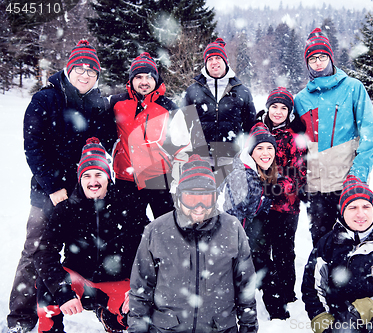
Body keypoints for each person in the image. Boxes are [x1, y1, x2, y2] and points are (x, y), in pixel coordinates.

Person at [8, 40, 114, 333]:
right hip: (48, 191)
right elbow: (34, 147)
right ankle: (22, 317)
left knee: (95, 245)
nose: (85, 74)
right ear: (69, 69)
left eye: (91, 70)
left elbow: (103, 143)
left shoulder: (97, 103)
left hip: (85, 188)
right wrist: (54, 187)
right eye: (79, 68)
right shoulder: (46, 99)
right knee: (37, 250)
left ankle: (103, 305)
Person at [128, 157, 258, 333]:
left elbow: (246, 286)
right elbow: (141, 290)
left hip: (219, 328)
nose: (199, 207)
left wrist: (248, 328)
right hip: (168, 329)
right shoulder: (156, 231)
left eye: (206, 198)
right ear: (179, 197)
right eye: (191, 198)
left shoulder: (232, 228)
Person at [33, 138, 150, 333]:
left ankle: (112, 318)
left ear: (108, 178)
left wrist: (140, 288)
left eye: (98, 174)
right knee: (46, 283)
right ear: (80, 179)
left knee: (139, 313)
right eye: (87, 176)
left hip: (118, 283)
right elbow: (44, 254)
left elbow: (150, 250)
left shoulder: (129, 205)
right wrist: (62, 290)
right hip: (79, 282)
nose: (93, 181)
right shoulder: (65, 209)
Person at [293, 28, 373, 247]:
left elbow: (371, 136)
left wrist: (358, 176)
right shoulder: (301, 99)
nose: (318, 62)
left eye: (322, 56)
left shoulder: (353, 88)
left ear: (331, 58)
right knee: (322, 247)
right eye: (312, 58)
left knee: (355, 247)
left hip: (347, 185)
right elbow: (293, 142)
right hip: (315, 188)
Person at [301, 176, 373, 333]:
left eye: (366, 207)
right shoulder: (327, 245)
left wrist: (369, 307)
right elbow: (312, 289)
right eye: (353, 208)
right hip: (339, 320)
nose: (360, 214)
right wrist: (322, 320)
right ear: (342, 211)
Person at [110, 52, 191, 219]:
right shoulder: (117, 103)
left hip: (159, 180)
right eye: (138, 77)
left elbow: (183, 147)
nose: (144, 82)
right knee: (128, 231)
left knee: (167, 228)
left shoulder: (169, 108)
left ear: (156, 79)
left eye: (149, 77)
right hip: (126, 179)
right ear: (131, 80)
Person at [252, 87, 307, 320]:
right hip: (259, 207)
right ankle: (270, 293)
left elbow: (300, 173)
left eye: (283, 108)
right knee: (261, 251)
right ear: (267, 107)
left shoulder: (295, 138)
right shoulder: (257, 130)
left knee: (285, 251)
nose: (278, 111)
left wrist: (276, 186)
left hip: (286, 207)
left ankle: (286, 293)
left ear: (289, 111)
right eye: (274, 106)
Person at [182, 37, 256, 185]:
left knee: (228, 203)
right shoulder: (192, 91)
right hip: (200, 158)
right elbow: (181, 126)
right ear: (205, 64)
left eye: (218, 58)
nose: (214, 62)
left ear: (225, 61)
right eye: (210, 59)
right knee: (203, 203)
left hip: (231, 158)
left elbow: (251, 125)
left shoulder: (242, 91)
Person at [217, 122, 277, 229]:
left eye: (269, 148)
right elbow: (232, 216)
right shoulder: (241, 176)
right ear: (251, 152)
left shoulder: (264, 172)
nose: (266, 153)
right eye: (259, 148)